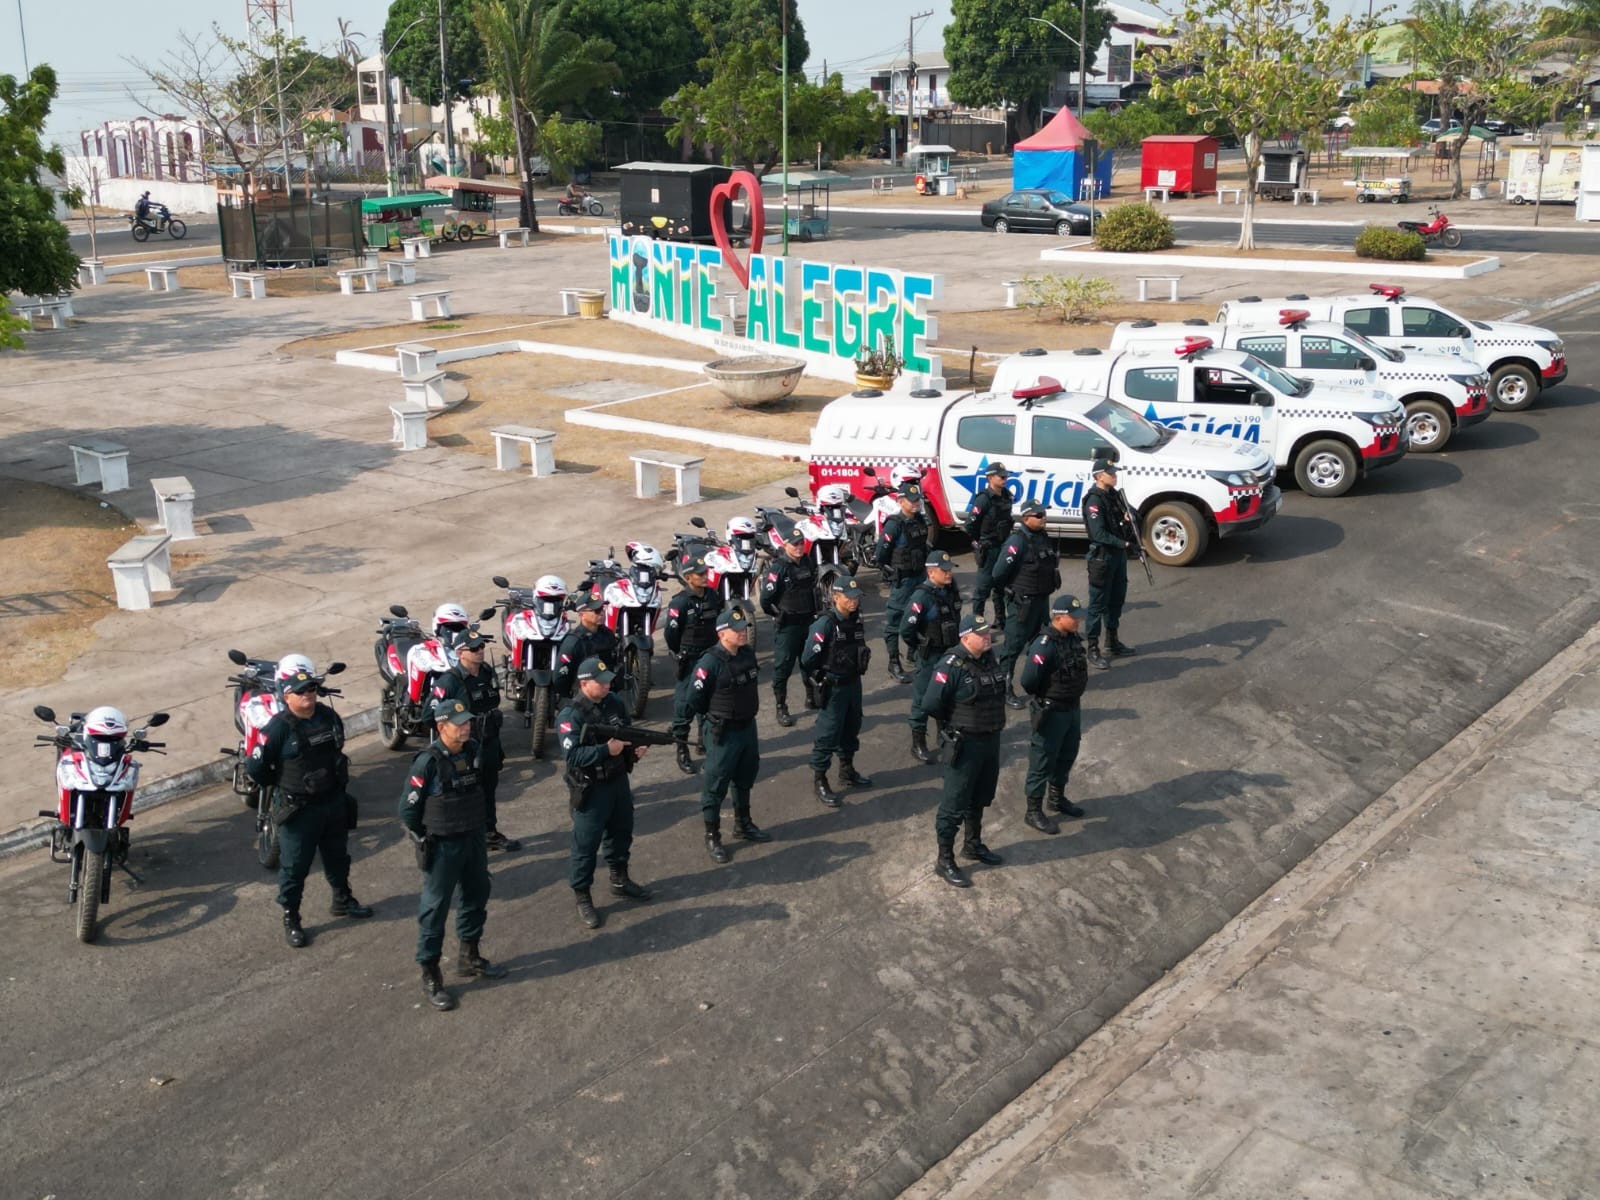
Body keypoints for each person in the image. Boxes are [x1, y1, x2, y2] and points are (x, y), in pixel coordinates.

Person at [247, 656, 372, 949]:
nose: (308, 694)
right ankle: (292, 917)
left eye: (312, 689)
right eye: (301, 691)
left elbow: (338, 746)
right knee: (295, 867)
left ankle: (343, 899)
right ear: (287, 695)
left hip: (332, 802)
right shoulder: (278, 728)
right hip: (299, 809)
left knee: (338, 857)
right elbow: (256, 768)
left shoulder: (328, 717)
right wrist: (281, 784)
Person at [400, 698, 507, 1012]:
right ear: (440, 726)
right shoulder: (428, 762)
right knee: (435, 909)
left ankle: (469, 955)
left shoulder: (472, 750)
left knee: (477, 894)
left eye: (467, 721)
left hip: (472, 838)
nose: (465, 727)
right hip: (443, 844)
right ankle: (431, 973)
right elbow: (407, 810)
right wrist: (426, 836)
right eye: (458, 723)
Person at [558, 657, 653, 930]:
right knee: (585, 845)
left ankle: (619, 878)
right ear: (584, 684)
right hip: (591, 788)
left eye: (608, 680)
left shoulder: (615, 703)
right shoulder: (570, 715)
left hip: (617, 781)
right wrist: (604, 751)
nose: (608, 684)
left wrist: (635, 749)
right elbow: (573, 755)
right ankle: (583, 895)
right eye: (601, 682)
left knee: (622, 832)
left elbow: (626, 733)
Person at [921, 614, 1009, 888]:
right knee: (954, 802)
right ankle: (944, 858)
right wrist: (954, 724)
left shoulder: (988, 657)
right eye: (981, 634)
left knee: (980, 796)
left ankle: (973, 844)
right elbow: (931, 703)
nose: (987, 638)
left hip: (990, 740)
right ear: (965, 637)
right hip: (965, 744)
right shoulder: (951, 665)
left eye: (988, 634)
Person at [690, 607, 768, 862]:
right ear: (722, 634)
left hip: (747, 727)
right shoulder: (709, 663)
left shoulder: (746, 653)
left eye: (744, 628)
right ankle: (713, 836)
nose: (743, 632)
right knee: (715, 784)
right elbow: (695, 699)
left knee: (745, 776)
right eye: (737, 630)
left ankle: (743, 823)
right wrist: (712, 720)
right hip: (723, 731)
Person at [431, 630, 520, 852]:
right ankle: (464, 838)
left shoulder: (486, 672)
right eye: (474, 648)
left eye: (481, 646)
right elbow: (430, 715)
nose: (480, 651)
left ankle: (489, 833)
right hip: (464, 749)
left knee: (488, 790)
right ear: (460, 652)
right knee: (464, 792)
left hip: (489, 741)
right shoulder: (450, 681)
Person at [799, 572, 875, 807]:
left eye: (857, 597)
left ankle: (847, 770)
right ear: (836, 597)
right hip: (834, 687)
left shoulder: (856, 620)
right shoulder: (825, 623)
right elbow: (808, 658)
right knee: (828, 733)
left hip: (853, 684)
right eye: (849, 597)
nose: (854, 601)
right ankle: (820, 778)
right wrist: (819, 680)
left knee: (852, 727)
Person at [1018, 594, 1091, 834]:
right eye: (1074, 617)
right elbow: (1028, 680)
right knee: (1043, 759)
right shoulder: (1044, 645)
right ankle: (1033, 810)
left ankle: (1057, 797)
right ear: (1059, 618)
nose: (1078, 621)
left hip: (1072, 708)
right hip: (1052, 711)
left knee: (1068, 753)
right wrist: (1047, 696)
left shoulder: (1071, 639)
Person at [991, 499, 1060, 708]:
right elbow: (998, 573)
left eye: (1044, 514)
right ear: (1025, 518)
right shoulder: (1017, 541)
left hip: (1041, 601)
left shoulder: (1043, 537)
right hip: (1023, 603)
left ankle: (1037, 682)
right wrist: (1011, 592)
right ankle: (1004, 688)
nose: (1043, 518)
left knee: (1040, 643)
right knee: (1012, 647)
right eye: (1038, 516)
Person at [900, 549, 963, 765]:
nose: (949, 574)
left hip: (949, 653)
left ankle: (943, 732)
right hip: (930, 655)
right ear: (931, 572)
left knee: (947, 695)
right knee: (923, 699)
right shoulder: (921, 597)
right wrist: (921, 646)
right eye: (944, 571)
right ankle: (918, 741)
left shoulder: (950, 590)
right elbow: (906, 629)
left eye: (949, 570)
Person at [664, 556, 722, 775]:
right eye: (700, 574)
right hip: (689, 660)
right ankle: (681, 748)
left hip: (710, 657)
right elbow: (671, 635)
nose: (705, 577)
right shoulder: (680, 602)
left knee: (708, 704)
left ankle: (704, 743)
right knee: (685, 705)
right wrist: (682, 653)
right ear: (688, 578)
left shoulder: (713, 595)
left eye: (706, 572)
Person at [1083, 458, 1141, 670]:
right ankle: (1092, 647)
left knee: (1116, 599)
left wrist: (1129, 516)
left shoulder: (1114, 495)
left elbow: (1134, 513)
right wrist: (1124, 543)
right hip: (1103, 558)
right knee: (1098, 604)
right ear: (1099, 476)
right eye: (1110, 472)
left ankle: (1112, 640)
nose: (1114, 475)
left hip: (1118, 556)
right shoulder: (1094, 501)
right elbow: (1098, 533)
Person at [759, 526, 821, 726]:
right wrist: (779, 616)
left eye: (801, 543)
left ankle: (811, 696)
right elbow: (766, 600)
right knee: (783, 667)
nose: (798, 547)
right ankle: (781, 707)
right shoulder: (777, 568)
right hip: (788, 626)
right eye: (794, 544)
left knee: (810, 661)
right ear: (784, 545)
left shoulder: (808, 562)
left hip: (808, 621)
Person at [878, 482, 931, 684]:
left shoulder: (919, 520)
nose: (916, 503)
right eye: (912, 500)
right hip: (903, 580)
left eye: (917, 500)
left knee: (919, 615)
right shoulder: (894, 524)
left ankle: (912, 654)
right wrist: (891, 573)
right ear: (901, 502)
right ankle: (894, 662)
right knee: (894, 620)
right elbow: (881, 554)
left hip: (919, 576)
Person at [965, 462, 1014, 626]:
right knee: (982, 589)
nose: (1005, 479)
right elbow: (970, 524)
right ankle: (976, 624)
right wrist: (978, 542)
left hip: (1003, 546)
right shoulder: (983, 499)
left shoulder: (1006, 495)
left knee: (1001, 585)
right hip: (989, 547)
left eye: (1006, 476)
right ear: (990, 478)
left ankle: (1000, 619)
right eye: (1001, 476)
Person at [556, 590, 620, 698]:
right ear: (582, 615)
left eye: (602, 609)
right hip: (583, 697)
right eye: (596, 610)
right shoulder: (573, 642)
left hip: (608, 693)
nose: (601, 613)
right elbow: (560, 679)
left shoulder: (607, 635)